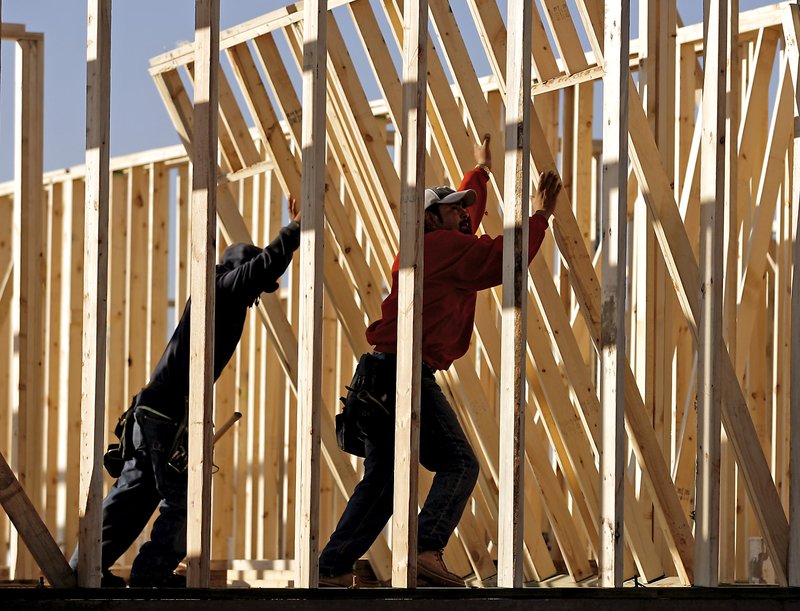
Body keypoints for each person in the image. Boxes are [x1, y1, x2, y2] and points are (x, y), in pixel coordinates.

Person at [319, 135, 562, 587]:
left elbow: (471, 217)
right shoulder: (444, 248)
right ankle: (425, 549)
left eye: (467, 209)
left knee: (385, 482)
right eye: (455, 210)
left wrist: (480, 173)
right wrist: (541, 215)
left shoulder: (428, 249)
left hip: (380, 375)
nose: (467, 215)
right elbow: (502, 259)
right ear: (432, 219)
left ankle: (331, 569)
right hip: (403, 374)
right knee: (460, 463)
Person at [71, 197, 302, 588]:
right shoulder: (223, 289)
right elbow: (263, 266)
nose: (258, 294)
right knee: (181, 497)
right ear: (240, 270)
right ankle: (151, 574)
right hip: (161, 416)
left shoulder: (216, 295)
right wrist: (297, 227)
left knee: (133, 497)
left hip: (155, 413)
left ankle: (85, 570)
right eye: (258, 286)